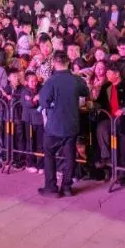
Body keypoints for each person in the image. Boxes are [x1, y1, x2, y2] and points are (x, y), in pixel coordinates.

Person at [37, 51, 89, 198]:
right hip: (72, 123)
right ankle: (67, 187)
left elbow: (43, 101)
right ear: (68, 62)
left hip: (54, 125)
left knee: (49, 154)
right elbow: (85, 92)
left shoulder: (51, 81)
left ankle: (51, 187)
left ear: (54, 63)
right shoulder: (76, 79)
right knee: (70, 155)